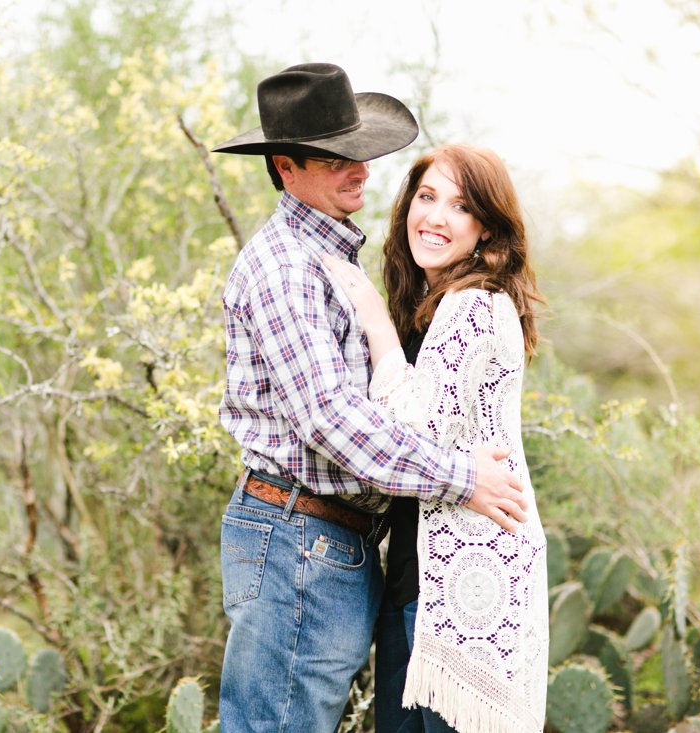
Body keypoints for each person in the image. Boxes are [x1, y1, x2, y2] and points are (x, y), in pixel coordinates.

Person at [211, 64, 528, 732]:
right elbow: (333, 420)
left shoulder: (333, 258)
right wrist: (465, 477)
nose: (358, 168)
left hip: (330, 541)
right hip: (299, 533)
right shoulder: (285, 267)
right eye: (333, 158)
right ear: (286, 168)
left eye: (358, 149)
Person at [322, 144, 548, 732]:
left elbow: (416, 430)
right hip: (420, 575)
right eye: (427, 197)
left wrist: (373, 321)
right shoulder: (437, 304)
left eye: (460, 205)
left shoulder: (473, 304)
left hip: (464, 582)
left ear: (486, 229)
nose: (436, 217)